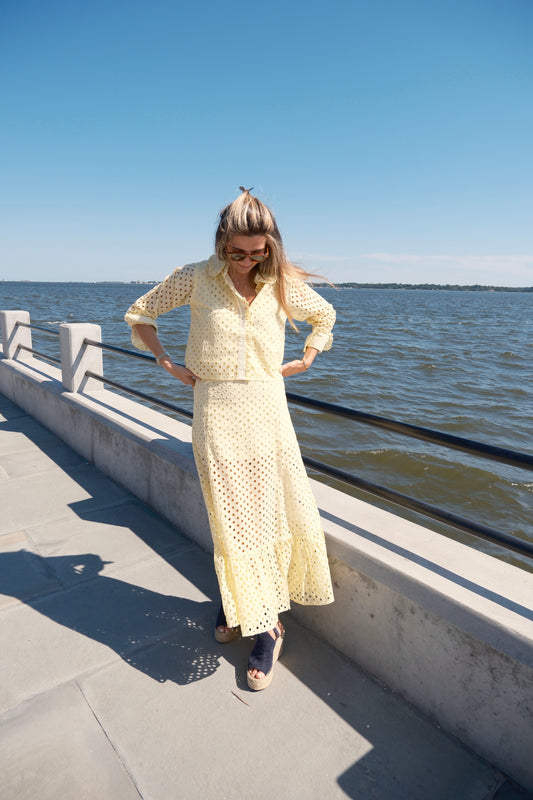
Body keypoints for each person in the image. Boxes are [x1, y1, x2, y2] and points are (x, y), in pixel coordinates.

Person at [124, 187, 335, 691]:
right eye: (235, 252)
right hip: (216, 413)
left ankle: (268, 627)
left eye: (256, 252)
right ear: (221, 243)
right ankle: (243, 603)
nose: (244, 262)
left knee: (268, 513)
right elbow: (141, 313)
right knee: (229, 515)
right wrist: (168, 363)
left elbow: (323, 316)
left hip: (268, 412)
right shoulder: (197, 277)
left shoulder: (281, 282)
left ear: (271, 246)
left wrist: (307, 356)